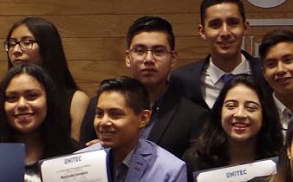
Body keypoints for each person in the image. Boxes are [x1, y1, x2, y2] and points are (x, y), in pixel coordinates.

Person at [79, 16, 207, 159]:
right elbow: (83, 159)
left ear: (173, 59)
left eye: (158, 51)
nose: (148, 59)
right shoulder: (98, 107)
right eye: (140, 50)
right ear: (128, 58)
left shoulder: (194, 116)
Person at [0, 18, 89, 140]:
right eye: (12, 44)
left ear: (48, 47)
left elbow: (77, 154)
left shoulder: (76, 100)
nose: (16, 51)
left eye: (27, 43)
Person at [168, 0, 263, 110]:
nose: (225, 33)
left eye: (233, 23)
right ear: (202, 32)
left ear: (245, 28)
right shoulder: (182, 80)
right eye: (215, 25)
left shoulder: (265, 74)